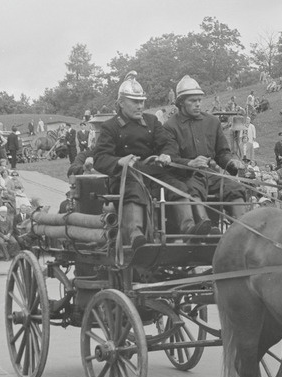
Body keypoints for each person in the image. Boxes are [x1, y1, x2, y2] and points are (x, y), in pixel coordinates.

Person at [92, 72, 174, 249]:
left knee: (178, 186)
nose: (140, 106)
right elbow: (100, 158)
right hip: (124, 179)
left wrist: (166, 154)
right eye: (135, 102)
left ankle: (189, 228)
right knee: (134, 189)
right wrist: (119, 161)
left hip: (153, 176)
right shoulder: (110, 126)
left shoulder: (152, 121)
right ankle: (135, 234)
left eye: (142, 101)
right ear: (121, 103)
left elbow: (168, 143)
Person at [164, 74, 247, 231]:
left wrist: (231, 162)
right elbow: (171, 158)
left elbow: (222, 152)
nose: (198, 104)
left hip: (211, 175)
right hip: (186, 176)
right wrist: (190, 163)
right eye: (192, 101)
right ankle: (204, 226)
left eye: (199, 100)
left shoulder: (212, 122)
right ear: (181, 102)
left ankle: (244, 228)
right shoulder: (170, 126)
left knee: (234, 188)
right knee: (192, 190)